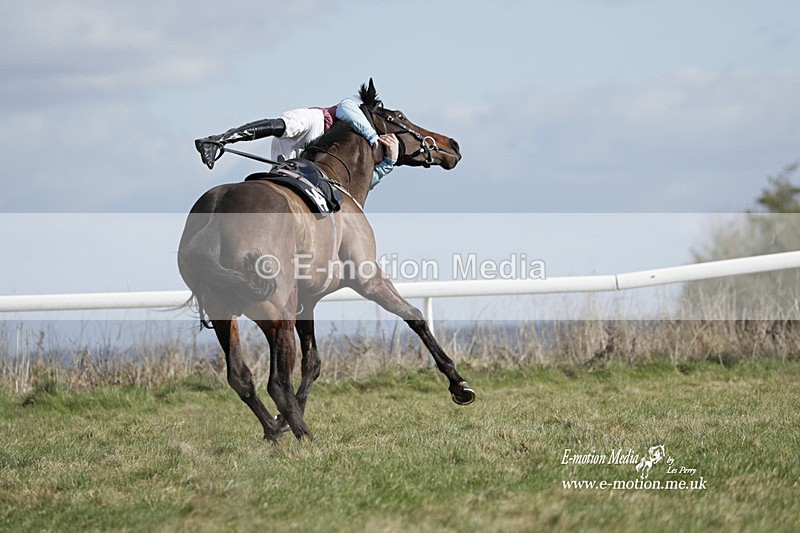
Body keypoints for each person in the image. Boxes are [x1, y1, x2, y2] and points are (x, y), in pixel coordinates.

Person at [194, 97, 399, 190]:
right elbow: (345, 107)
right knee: (288, 126)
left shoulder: (368, 159)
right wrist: (374, 139)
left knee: (280, 185)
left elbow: (361, 185)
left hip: (311, 156)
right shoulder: (361, 117)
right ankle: (217, 140)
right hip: (316, 123)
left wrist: (388, 164)